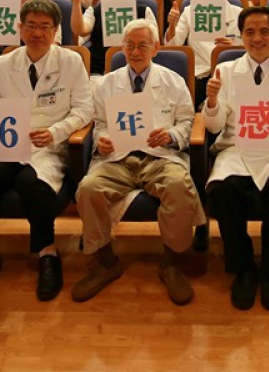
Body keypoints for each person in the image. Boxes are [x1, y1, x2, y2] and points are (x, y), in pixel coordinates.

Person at [0, 0, 92, 303]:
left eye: (45, 26)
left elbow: (85, 109)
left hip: (48, 146)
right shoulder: (5, 63)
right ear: (19, 28)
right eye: (30, 25)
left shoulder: (70, 61)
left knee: (31, 183)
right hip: (8, 144)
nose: (37, 33)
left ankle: (47, 251)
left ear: (56, 31)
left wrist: (55, 132)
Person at [73, 20, 206, 305]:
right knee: (89, 188)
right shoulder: (106, 83)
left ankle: (172, 262)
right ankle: (106, 261)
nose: (135, 51)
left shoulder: (173, 80)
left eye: (142, 45)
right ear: (122, 48)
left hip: (159, 156)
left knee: (179, 185)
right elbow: (98, 123)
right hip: (117, 158)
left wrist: (169, 135)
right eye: (129, 45)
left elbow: (186, 120)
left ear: (156, 48)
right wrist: (102, 140)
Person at [204, 7, 269, 310]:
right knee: (224, 189)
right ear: (241, 36)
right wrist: (212, 101)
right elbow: (212, 127)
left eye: (264, 31)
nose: (257, 38)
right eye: (249, 32)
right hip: (236, 150)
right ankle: (243, 269)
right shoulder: (225, 72)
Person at [167, 0, 242, 107]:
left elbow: (248, 48)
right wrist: (172, 25)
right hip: (198, 75)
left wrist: (232, 48)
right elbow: (173, 45)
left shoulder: (239, 13)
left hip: (230, 74)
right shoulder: (190, 11)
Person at [71, 0, 153, 77]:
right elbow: (80, 30)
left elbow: (154, 41)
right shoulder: (95, 10)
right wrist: (76, 2)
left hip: (137, 69)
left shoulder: (144, 10)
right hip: (100, 70)